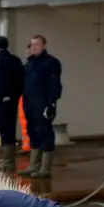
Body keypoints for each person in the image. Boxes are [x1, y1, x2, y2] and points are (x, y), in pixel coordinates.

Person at [21, 35, 63, 178]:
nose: (34, 47)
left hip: (43, 103)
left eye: (37, 44)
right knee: (32, 131)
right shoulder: (29, 64)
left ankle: (45, 168)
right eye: (32, 44)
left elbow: (55, 85)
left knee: (44, 132)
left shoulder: (51, 63)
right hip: (30, 103)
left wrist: (51, 103)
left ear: (44, 45)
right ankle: (34, 164)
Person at [0, 37, 25, 170]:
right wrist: (14, 95)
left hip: (1, 102)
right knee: (10, 130)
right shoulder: (16, 60)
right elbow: (21, 80)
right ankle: (8, 161)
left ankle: (8, 163)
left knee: (5, 131)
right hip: (13, 101)